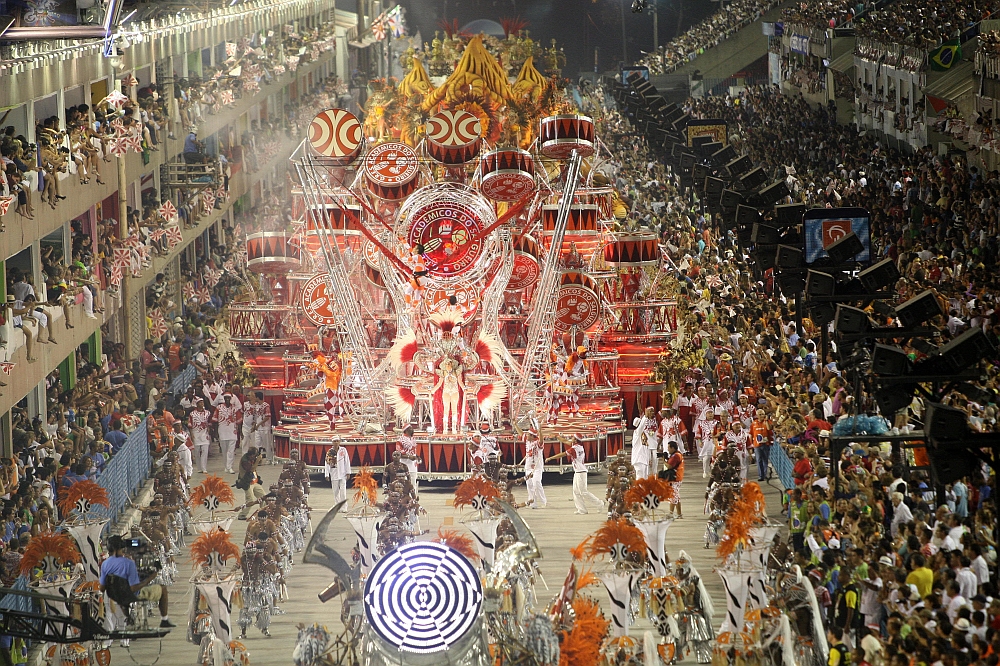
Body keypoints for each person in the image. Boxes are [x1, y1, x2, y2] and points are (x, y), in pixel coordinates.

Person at [99, 535, 174, 628]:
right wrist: (151, 577)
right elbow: (133, 588)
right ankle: (164, 620)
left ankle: (126, 619)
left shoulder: (105, 564)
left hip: (112, 595)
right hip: (130, 595)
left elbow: (102, 587)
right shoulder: (128, 563)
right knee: (163, 589)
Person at [565, 435, 603, 515]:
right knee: (576, 491)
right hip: (577, 472)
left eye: (572, 437)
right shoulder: (579, 446)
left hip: (581, 472)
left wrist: (551, 458)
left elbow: (563, 454)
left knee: (583, 492)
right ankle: (582, 509)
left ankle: (599, 503)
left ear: (575, 440)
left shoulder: (574, 449)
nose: (571, 438)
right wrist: (557, 436)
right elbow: (566, 442)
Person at [236, 447, 266, 520]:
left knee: (263, 497)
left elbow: (260, 463)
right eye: (255, 455)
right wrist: (257, 460)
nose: (255, 457)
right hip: (247, 482)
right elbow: (251, 469)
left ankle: (263, 512)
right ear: (251, 455)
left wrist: (260, 459)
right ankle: (242, 515)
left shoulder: (252, 458)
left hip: (254, 481)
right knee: (250, 500)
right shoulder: (245, 460)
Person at [214, 393, 241, 473]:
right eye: (225, 398)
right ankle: (226, 466)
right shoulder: (219, 408)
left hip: (232, 431)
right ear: (224, 399)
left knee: (231, 450)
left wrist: (240, 432)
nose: (227, 399)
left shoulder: (235, 409)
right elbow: (215, 421)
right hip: (222, 431)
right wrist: (215, 433)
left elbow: (239, 422)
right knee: (224, 450)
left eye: (229, 398)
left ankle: (230, 467)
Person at [522, 426, 546, 508]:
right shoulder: (527, 441)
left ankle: (543, 501)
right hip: (528, 466)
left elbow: (541, 441)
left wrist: (540, 432)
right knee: (529, 485)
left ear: (532, 436)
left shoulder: (537, 443)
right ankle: (533, 503)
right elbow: (521, 434)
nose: (526, 435)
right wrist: (515, 424)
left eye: (528, 434)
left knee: (536, 482)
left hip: (537, 467)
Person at [188, 397, 212, 474]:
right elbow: (190, 425)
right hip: (196, 433)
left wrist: (209, 428)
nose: (202, 404)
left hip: (204, 434)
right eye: (200, 402)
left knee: (205, 450)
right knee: (197, 451)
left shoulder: (207, 413)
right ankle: (199, 468)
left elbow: (210, 422)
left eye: (202, 402)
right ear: (197, 404)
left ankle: (204, 467)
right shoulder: (192, 414)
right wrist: (191, 434)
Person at [660, 440, 684, 518]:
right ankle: (679, 514)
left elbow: (670, 466)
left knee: (673, 496)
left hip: (675, 478)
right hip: (678, 477)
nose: (668, 450)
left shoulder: (676, 456)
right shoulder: (678, 454)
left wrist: (664, 461)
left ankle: (671, 514)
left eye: (669, 448)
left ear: (673, 448)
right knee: (677, 496)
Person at [325, 439, 351, 504]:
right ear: (332, 442)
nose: (336, 443)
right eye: (334, 441)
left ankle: (344, 507)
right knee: (336, 492)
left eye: (337, 441)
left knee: (343, 492)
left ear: (339, 442)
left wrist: (348, 472)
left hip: (343, 474)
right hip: (334, 474)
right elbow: (327, 463)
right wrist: (327, 474)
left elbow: (347, 461)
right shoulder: (329, 452)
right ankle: (337, 507)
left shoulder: (343, 450)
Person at [396, 424, 419, 495]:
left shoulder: (412, 439)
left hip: (413, 465)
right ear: (406, 430)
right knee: (404, 483)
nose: (412, 430)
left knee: (413, 483)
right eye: (410, 428)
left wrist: (416, 457)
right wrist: (409, 457)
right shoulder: (400, 440)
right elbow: (399, 454)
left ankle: (413, 500)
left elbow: (413, 451)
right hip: (404, 465)